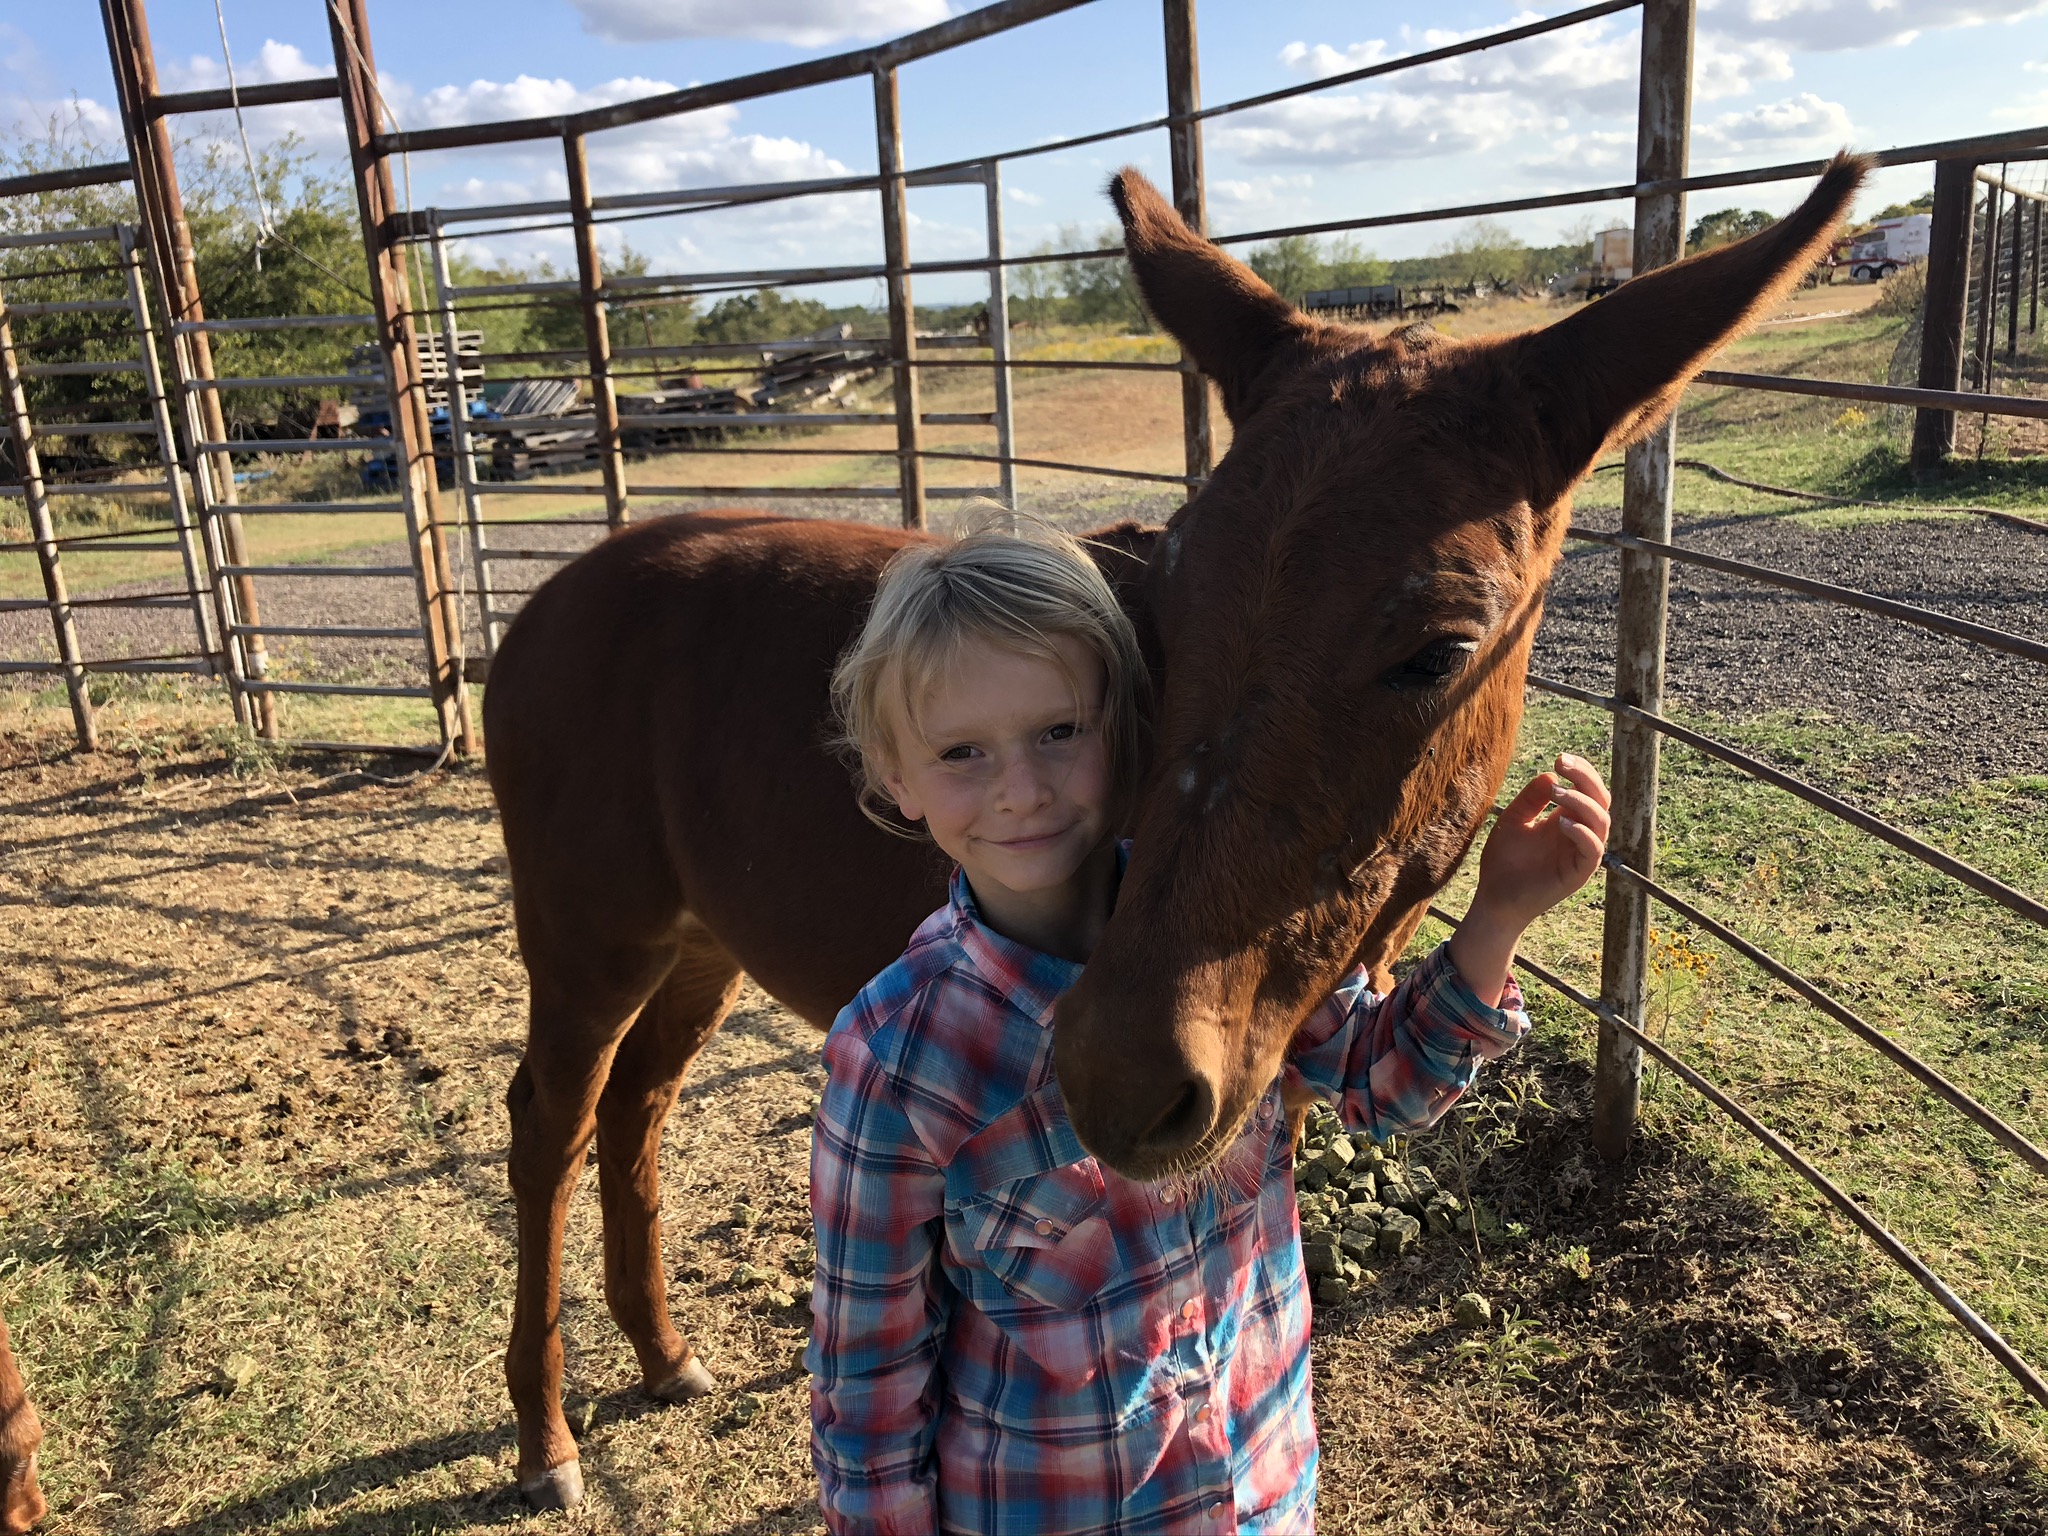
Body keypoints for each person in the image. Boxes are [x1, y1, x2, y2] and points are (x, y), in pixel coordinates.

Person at [809, 526, 1612, 1536]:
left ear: (1127, 727)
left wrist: (1496, 915)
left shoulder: (1226, 934)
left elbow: (1384, 1083)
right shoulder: (895, 1054)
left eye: (1058, 731)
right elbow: (868, 1387)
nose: (1019, 789)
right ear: (894, 778)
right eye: (961, 754)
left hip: (1259, 1493)